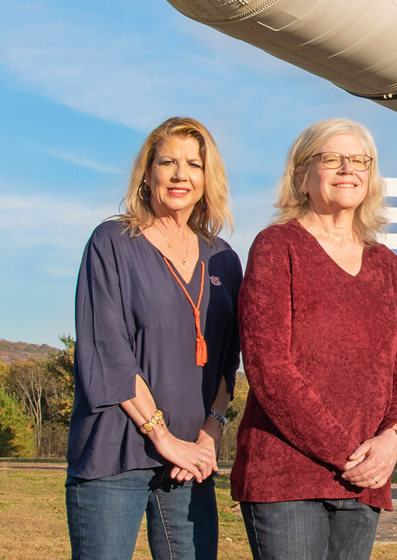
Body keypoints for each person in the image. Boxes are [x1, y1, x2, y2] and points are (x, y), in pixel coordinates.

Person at [231, 118, 397, 560]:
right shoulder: (277, 246)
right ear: (302, 175)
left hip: (365, 479)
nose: (346, 169)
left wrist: (392, 440)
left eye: (358, 160)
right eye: (331, 159)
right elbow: (268, 367)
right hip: (288, 474)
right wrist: (347, 452)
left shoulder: (386, 264)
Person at [66, 117, 240, 560]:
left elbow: (226, 361)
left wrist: (207, 437)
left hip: (191, 463)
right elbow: (107, 350)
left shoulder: (223, 259)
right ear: (148, 174)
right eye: (168, 162)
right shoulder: (112, 242)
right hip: (115, 452)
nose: (181, 174)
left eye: (194, 164)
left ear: (207, 178)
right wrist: (162, 437)